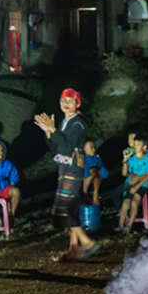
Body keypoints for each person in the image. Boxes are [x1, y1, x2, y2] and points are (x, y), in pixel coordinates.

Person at [34, 88, 99, 261]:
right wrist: (48, 132)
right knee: (70, 209)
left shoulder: (78, 123)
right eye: (63, 100)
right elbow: (56, 149)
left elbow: (68, 147)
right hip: (65, 168)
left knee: (63, 209)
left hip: (73, 169)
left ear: (78, 104)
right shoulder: (65, 122)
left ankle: (87, 243)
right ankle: (73, 249)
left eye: (70, 101)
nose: (66, 103)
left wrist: (53, 130)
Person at [119, 133, 148, 230]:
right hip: (130, 183)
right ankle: (121, 226)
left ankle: (129, 225)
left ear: (144, 147)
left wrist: (136, 187)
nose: (134, 146)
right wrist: (125, 160)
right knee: (125, 204)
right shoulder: (131, 159)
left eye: (137, 144)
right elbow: (124, 173)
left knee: (134, 202)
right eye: (134, 144)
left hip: (142, 184)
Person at [82, 140, 108, 207]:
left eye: (94, 147)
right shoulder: (82, 159)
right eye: (91, 148)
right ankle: (84, 193)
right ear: (85, 149)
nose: (93, 150)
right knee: (92, 170)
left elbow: (104, 173)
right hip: (84, 181)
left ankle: (95, 194)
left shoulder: (97, 158)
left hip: (95, 181)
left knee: (96, 170)